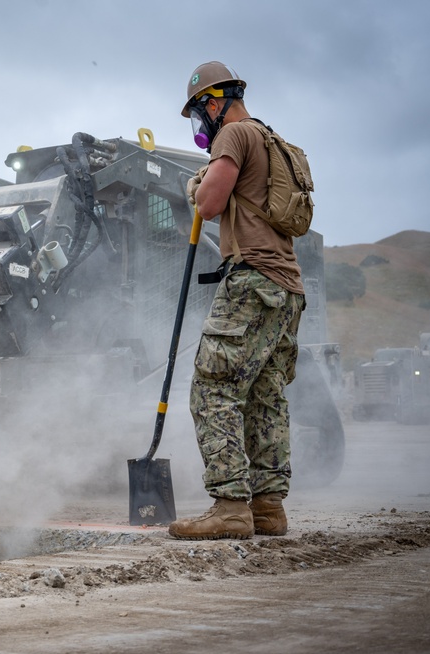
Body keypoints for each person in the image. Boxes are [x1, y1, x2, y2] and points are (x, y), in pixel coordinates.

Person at [168, 61, 307, 540]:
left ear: (214, 102)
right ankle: (268, 509)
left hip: (251, 281)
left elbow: (208, 204)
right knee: (265, 397)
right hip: (287, 289)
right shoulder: (272, 141)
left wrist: (196, 184)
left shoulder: (234, 136)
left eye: (198, 112)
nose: (200, 125)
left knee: (214, 388)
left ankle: (230, 507)